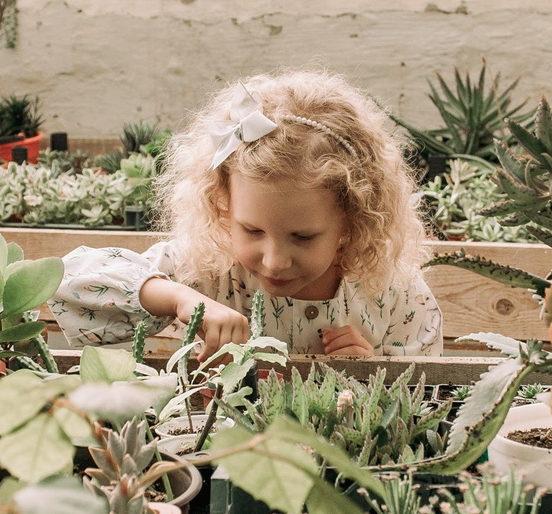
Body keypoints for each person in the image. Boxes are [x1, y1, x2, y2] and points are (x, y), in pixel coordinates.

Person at [50, 70, 444, 358]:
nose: (274, 261)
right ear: (223, 202)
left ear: (353, 220)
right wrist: (177, 298)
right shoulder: (207, 267)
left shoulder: (392, 295)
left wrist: (371, 373)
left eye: (303, 237)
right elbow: (65, 282)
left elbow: (429, 398)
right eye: (252, 230)